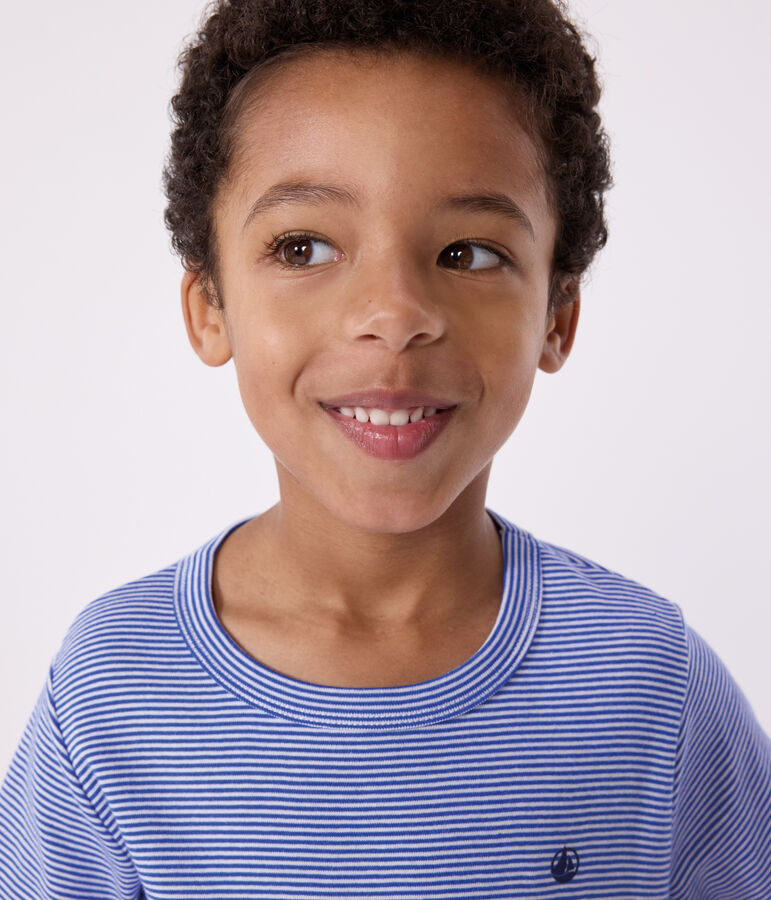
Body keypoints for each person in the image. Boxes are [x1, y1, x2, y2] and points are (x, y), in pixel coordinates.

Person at [1, 0, 769, 896]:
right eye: (304, 245)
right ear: (210, 305)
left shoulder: (650, 683)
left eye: (469, 253)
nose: (393, 315)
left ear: (556, 317)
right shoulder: (110, 695)